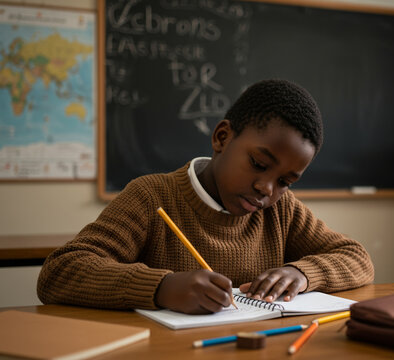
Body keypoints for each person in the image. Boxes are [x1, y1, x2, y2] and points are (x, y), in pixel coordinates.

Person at [37, 79, 374, 314]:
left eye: (285, 181)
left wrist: (303, 274)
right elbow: (60, 273)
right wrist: (161, 288)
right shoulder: (151, 197)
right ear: (222, 137)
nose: (267, 189)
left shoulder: (280, 210)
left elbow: (357, 258)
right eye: (258, 164)